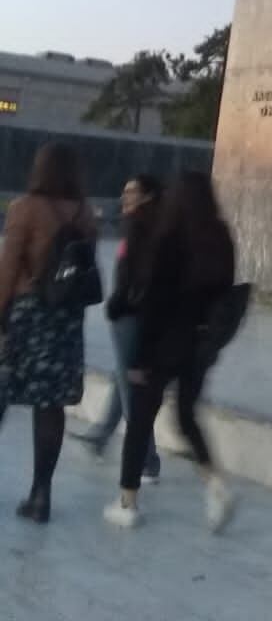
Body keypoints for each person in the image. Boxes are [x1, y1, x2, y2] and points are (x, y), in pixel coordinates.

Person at [103, 170, 236, 531]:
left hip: (163, 345)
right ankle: (215, 485)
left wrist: (139, 359)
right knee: (186, 417)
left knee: (140, 421)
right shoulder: (220, 236)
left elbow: (154, 304)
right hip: (199, 346)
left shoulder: (169, 239)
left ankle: (128, 502)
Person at [0, 141, 97, 522]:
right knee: (51, 405)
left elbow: (8, 271)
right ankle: (41, 495)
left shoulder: (25, 209)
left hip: (27, 317)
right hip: (66, 321)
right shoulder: (85, 214)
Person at [75, 173, 163, 479]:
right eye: (124, 191)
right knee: (122, 378)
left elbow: (137, 277)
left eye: (132, 192)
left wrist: (116, 305)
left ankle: (147, 458)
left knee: (130, 388)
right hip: (141, 314)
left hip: (129, 315)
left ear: (148, 196)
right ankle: (100, 436)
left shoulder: (139, 225)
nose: (125, 197)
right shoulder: (153, 225)